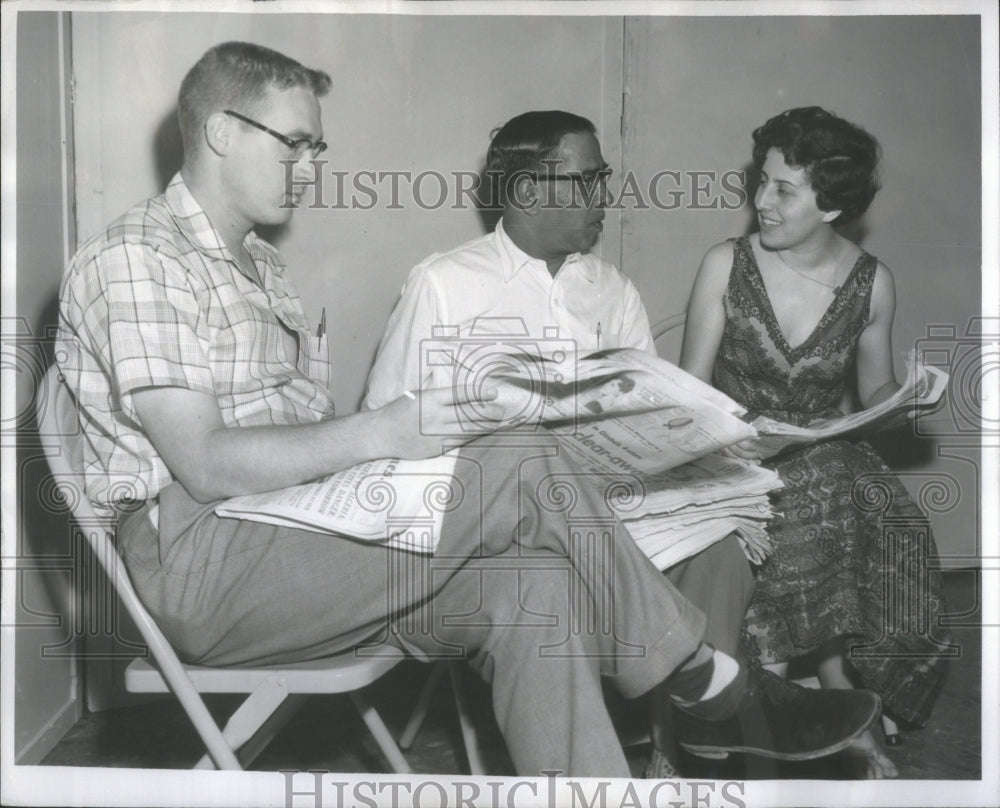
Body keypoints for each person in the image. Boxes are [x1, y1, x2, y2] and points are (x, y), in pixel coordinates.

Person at [57, 50, 880, 778]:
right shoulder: (140, 256)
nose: (310, 167)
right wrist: (392, 432)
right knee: (518, 454)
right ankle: (704, 677)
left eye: (319, 147)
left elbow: (304, 448)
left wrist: (414, 449)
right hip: (207, 559)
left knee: (541, 590)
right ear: (220, 131)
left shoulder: (260, 267)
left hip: (291, 537)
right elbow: (202, 461)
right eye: (294, 143)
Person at [363, 110, 876, 777]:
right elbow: (384, 429)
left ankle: (696, 744)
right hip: (499, 520)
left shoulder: (612, 290)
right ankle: (721, 698)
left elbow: (656, 412)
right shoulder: (445, 283)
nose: (606, 196)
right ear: (525, 192)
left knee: (719, 542)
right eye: (589, 179)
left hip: (616, 507)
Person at [679, 106, 951, 778]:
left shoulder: (872, 284)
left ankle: (786, 701)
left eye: (782, 189)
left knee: (848, 482)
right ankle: (815, 705)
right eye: (760, 181)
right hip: (729, 460)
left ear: (831, 207)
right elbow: (684, 396)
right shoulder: (725, 265)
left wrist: (907, 398)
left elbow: (874, 396)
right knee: (828, 487)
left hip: (823, 457)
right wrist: (735, 440)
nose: (759, 202)